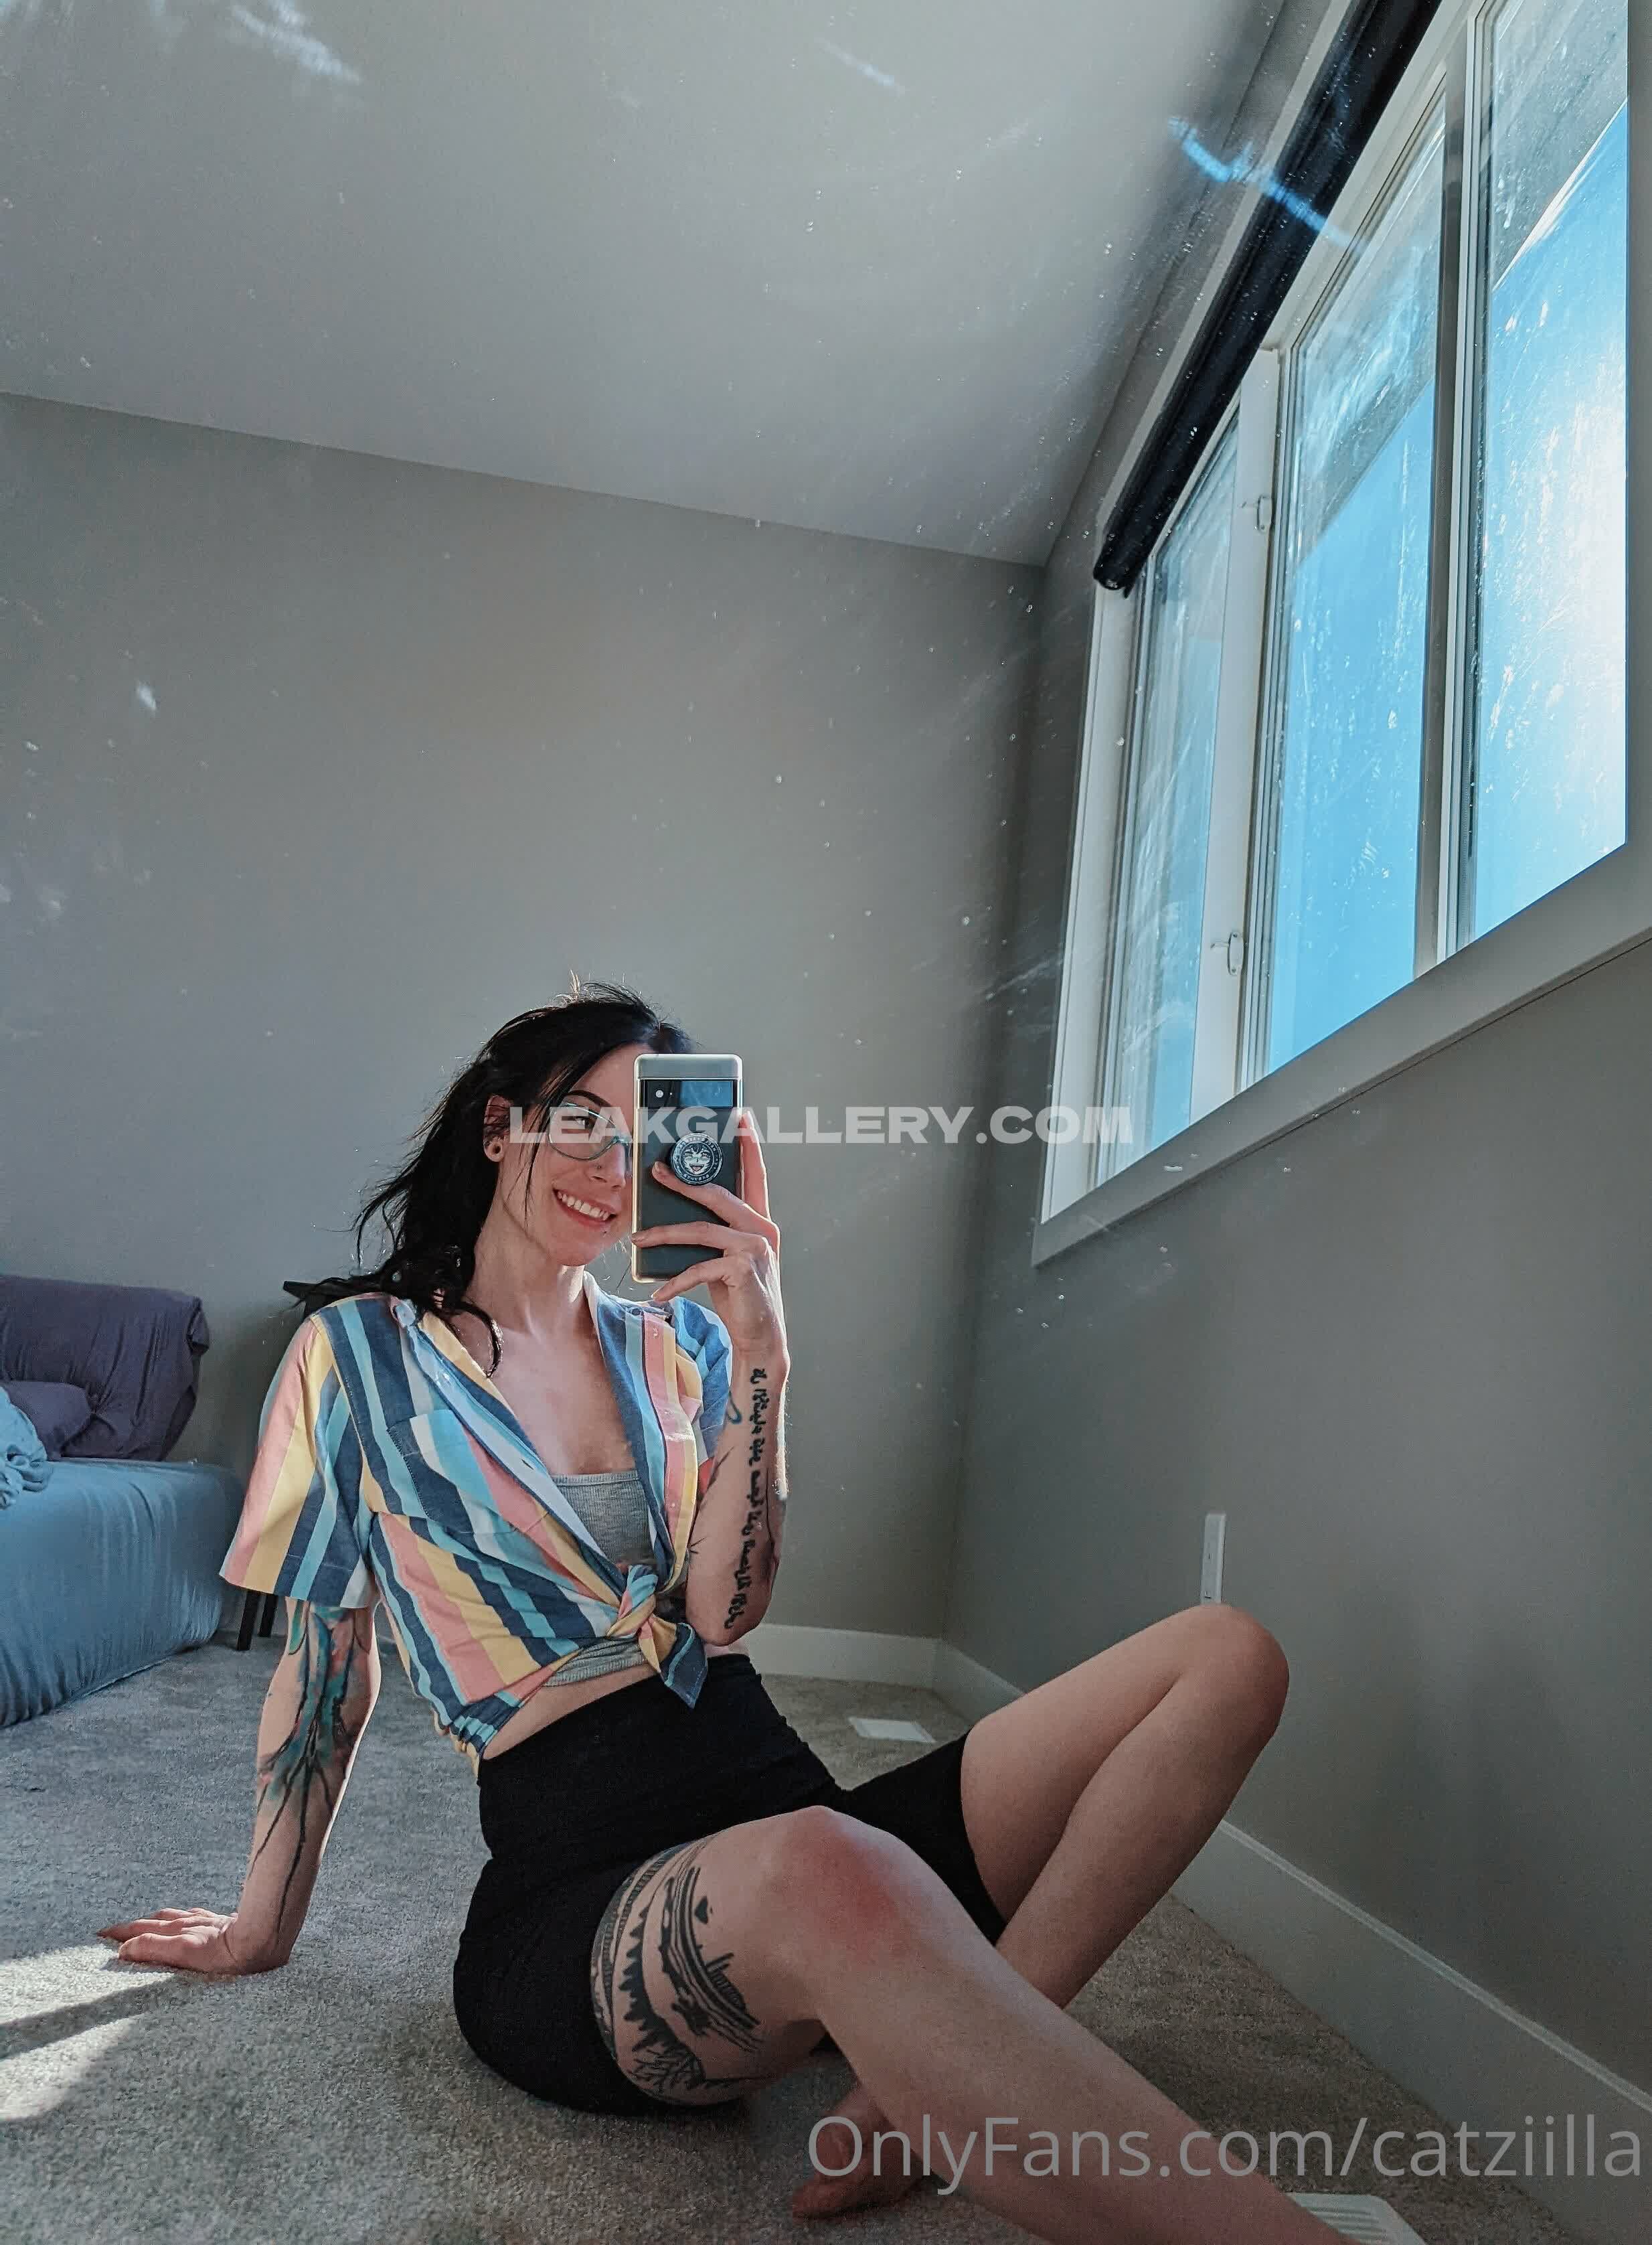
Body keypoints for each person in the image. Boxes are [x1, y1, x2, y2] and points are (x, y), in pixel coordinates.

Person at [97, 981, 1334, 2244]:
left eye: (645, 1142)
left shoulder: (675, 1343)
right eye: (582, 1121)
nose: (610, 1169)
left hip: (781, 1799)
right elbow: (328, 1666)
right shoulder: (354, 1355)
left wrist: (764, 1359)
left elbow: (724, 1609)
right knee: (835, 1867)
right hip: (580, 1883)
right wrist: (259, 1928)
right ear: (500, 1127)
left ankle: (929, 2084)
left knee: (1225, 1659)